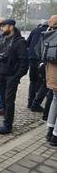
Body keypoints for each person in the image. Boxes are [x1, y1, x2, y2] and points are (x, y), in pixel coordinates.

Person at [0, 19, 29, 134]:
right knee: (4, 100)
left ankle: (8, 125)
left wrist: (16, 77)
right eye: (1, 26)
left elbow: (24, 63)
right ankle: (5, 120)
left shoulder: (20, 42)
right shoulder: (2, 39)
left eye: (3, 26)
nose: (1, 28)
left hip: (11, 76)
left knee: (9, 101)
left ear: (11, 27)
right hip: (0, 74)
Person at [40, 15, 57, 146]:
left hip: (51, 74)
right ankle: (55, 136)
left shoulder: (48, 35)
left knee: (55, 101)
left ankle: (49, 131)